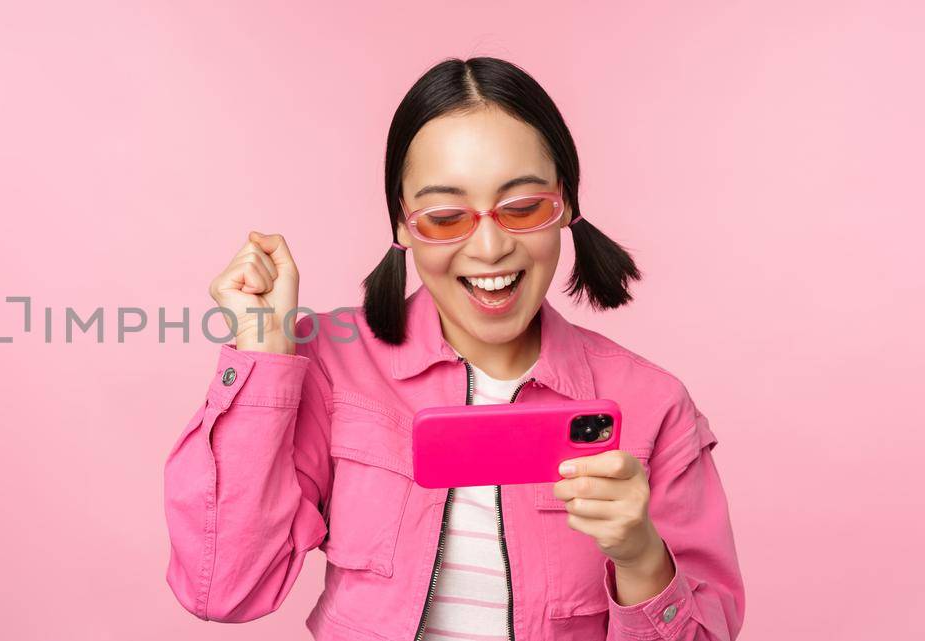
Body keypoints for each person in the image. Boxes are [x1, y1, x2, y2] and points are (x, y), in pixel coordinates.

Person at [162, 57, 744, 641]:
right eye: (444, 218)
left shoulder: (654, 403)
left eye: (523, 208)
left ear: (564, 204)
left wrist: (641, 557)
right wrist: (263, 354)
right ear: (401, 224)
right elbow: (224, 590)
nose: (490, 248)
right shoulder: (330, 367)